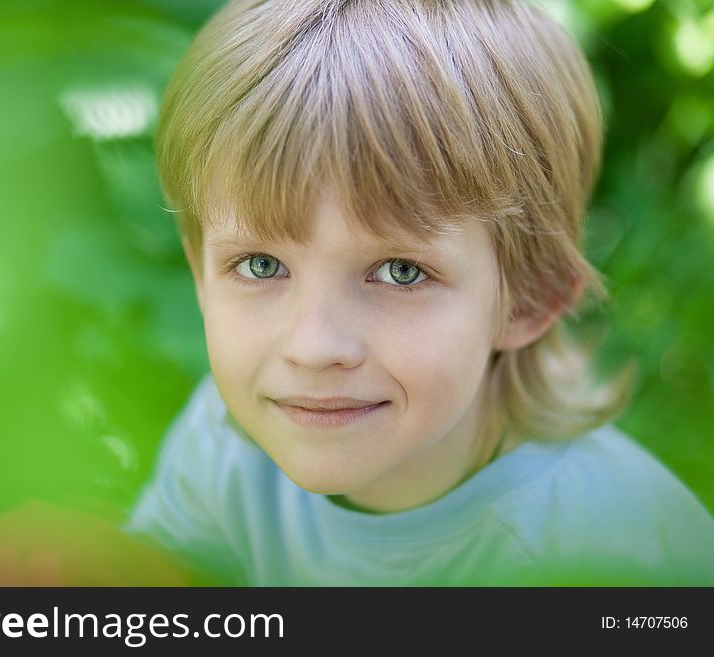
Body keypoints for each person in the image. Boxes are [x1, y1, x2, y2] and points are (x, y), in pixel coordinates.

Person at [120, 0, 714, 586]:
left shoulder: (620, 555)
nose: (313, 346)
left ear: (530, 298)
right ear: (201, 273)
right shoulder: (224, 441)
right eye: (259, 264)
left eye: (400, 272)